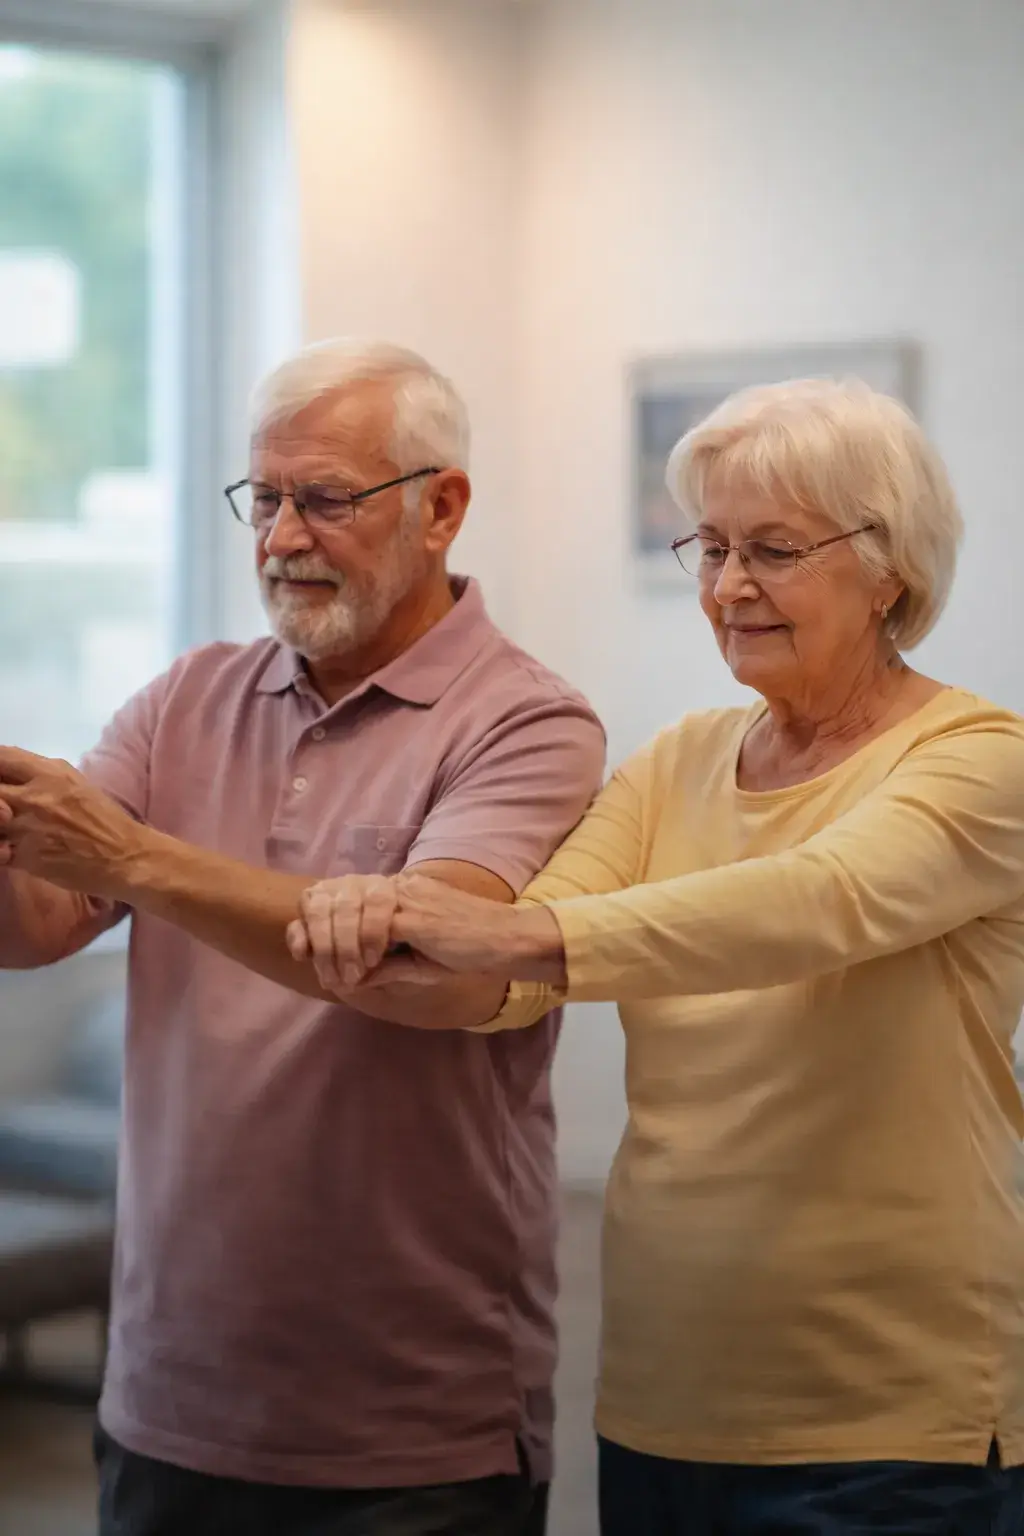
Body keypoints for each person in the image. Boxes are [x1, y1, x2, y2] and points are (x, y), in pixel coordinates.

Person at [289, 378, 1024, 1536]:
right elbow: (502, 982)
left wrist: (507, 931)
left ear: (889, 569)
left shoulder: (980, 760)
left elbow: (809, 901)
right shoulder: (678, 759)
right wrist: (376, 926)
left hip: (891, 1415)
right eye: (712, 546)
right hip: (662, 1394)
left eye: (773, 550)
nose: (729, 587)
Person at [0, 339, 605, 1536]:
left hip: (409, 1430)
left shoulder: (528, 723)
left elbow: (421, 960)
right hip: (167, 1397)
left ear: (443, 508)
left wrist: (126, 855)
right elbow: (41, 925)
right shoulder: (186, 698)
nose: (280, 537)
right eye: (264, 499)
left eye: (324, 500)